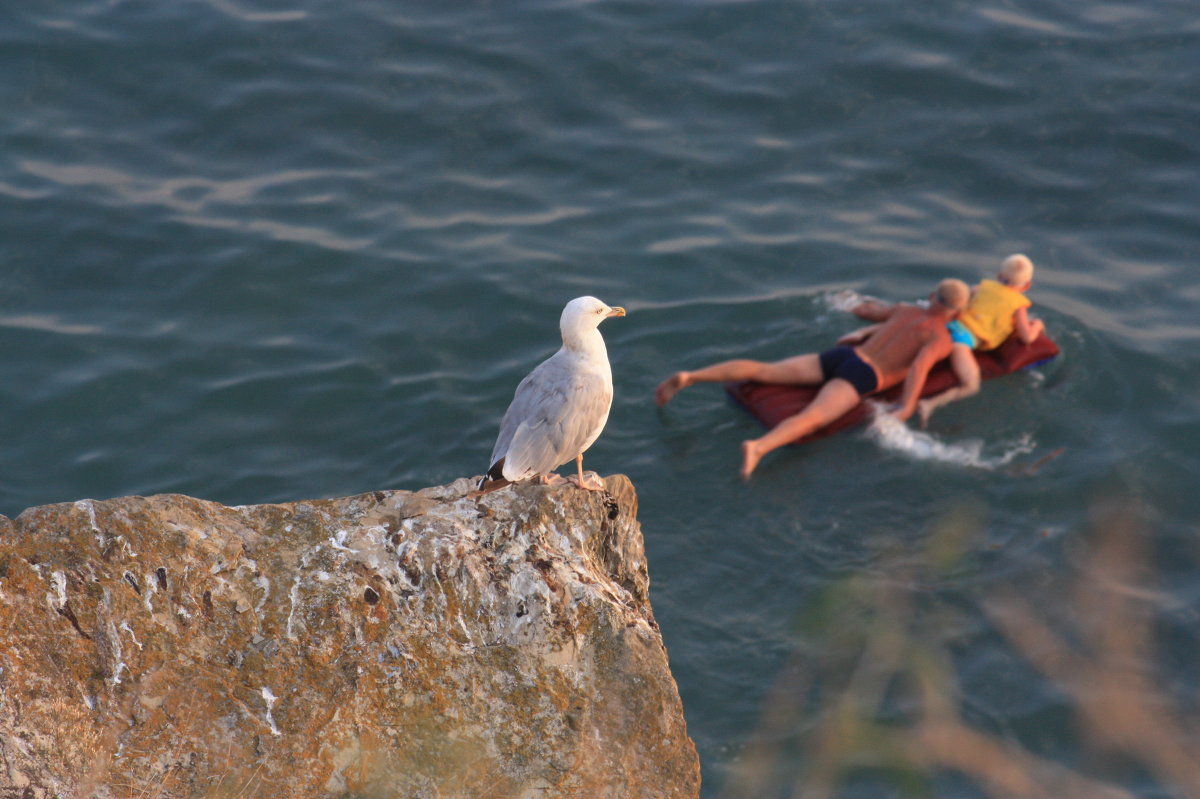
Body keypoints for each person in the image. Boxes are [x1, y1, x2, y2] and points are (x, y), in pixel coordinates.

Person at [655, 279, 970, 479]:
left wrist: (853, 303)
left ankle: (691, 376)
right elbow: (919, 369)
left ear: (932, 296)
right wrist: (906, 405)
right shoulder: (940, 337)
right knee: (813, 417)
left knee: (764, 370)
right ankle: (759, 448)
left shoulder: (905, 311)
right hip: (864, 375)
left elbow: (867, 311)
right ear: (958, 312)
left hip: (844, 356)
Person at [899, 254, 1044, 427]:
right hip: (962, 340)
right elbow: (1027, 337)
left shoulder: (980, 287)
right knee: (971, 385)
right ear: (1027, 285)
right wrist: (1037, 325)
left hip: (949, 326)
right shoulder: (1019, 306)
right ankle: (930, 404)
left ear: (999, 276)